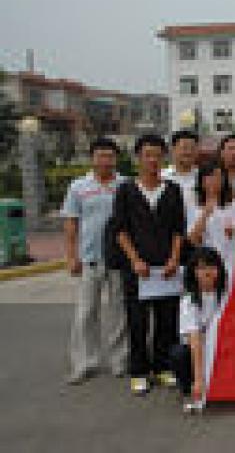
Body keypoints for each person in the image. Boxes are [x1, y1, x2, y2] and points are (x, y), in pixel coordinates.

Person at [114, 134, 185, 395]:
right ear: (138, 158)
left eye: (157, 154)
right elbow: (120, 230)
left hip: (166, 268)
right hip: (138, 269)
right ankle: (139, 371)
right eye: (147, 155)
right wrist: (134, 259)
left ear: (164, 157)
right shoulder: (126, 190)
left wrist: (174, 259)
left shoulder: (173, 190)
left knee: (167, 319)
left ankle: (163, 367)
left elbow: (178, 229)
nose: (153, 160)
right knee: (138, 321)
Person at [61, 137, 127, 384]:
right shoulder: (78, 187)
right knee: (86, 313)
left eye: (110, 156)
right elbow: (71, 222)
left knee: (119, 313)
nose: (105, 160)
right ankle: (84, 363)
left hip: (119, 260)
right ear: (92, 158)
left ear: (116, 158)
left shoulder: (125, 185)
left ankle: (120, 361)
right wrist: (71, 256)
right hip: (90, 259)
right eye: (100, 155)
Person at [170, 246, 227, 413]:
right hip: (198, 349)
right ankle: (190, 388)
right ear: (193, 272)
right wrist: (199, 379)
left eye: (212, 266)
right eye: (201, 268)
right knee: (179, 353)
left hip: (221, 348)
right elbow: (194, 341)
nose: (207, 272)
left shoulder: (226, 293)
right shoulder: (189, 300)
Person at [186, 160, 235, 282]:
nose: (215, 180)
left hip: (232, 262)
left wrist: (233, 231)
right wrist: (205, 214)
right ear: (202, 181)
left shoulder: (234, 204)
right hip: (207, 265)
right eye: (210, 176)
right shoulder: (194, 205)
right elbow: (192, 239)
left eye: (219, 176)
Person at [162, 130, 200, 209]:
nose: (188, 152)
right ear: (173, 149)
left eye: (192, 148)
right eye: (184, 148)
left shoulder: (204, 177)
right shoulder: (162, 177)